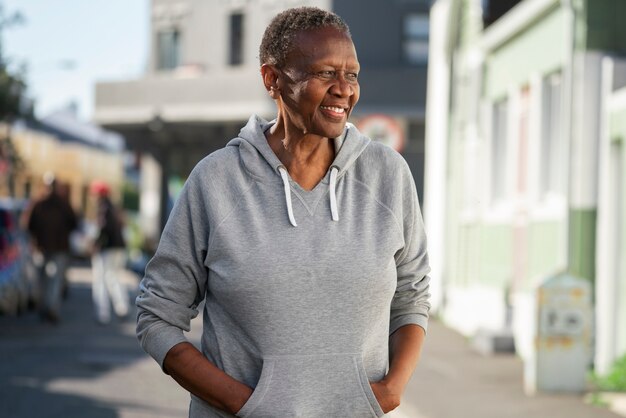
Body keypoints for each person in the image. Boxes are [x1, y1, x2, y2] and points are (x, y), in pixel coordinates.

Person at [136, 7, 430, 417]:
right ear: (272, 78)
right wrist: (248, 405)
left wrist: (391, 390)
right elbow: (157, 317)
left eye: (352, 74)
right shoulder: (216, 182)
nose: (344, 89)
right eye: (326, 73)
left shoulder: (388, 176)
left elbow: (412, 295)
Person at [27, 173, 77, 323]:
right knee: (51, 279)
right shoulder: (60, 204)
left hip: (49, 247)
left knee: (46, 279)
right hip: (53, 248)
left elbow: (29, 225)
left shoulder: (41, 203)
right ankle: (49, 307)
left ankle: (48, 307)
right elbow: (74, 223)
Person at [90, 181, 130, 324]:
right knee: (114, 277)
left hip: (106, 249)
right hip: (119, 248)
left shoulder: (104, 208)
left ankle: (102, 314)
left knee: (100, 280)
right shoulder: (114, 207)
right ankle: (122, 307)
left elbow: (103, 229)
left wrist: (95, 244)